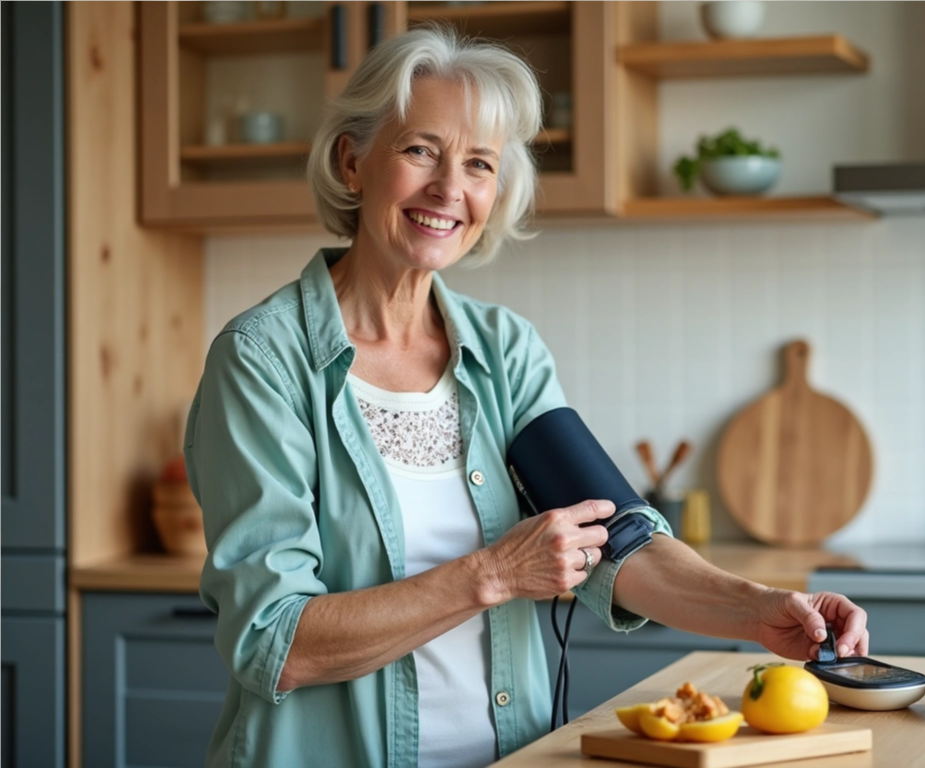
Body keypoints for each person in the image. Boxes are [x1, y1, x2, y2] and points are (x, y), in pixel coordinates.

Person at [184, 26, 870, 768]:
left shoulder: (505, 351)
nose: (450, 188)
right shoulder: (262, 361)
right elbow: (276, 644)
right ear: (352, 161)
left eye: (478, 163)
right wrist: (494, 575)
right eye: (421, 151)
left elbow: (619, 541)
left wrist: (758, 607)